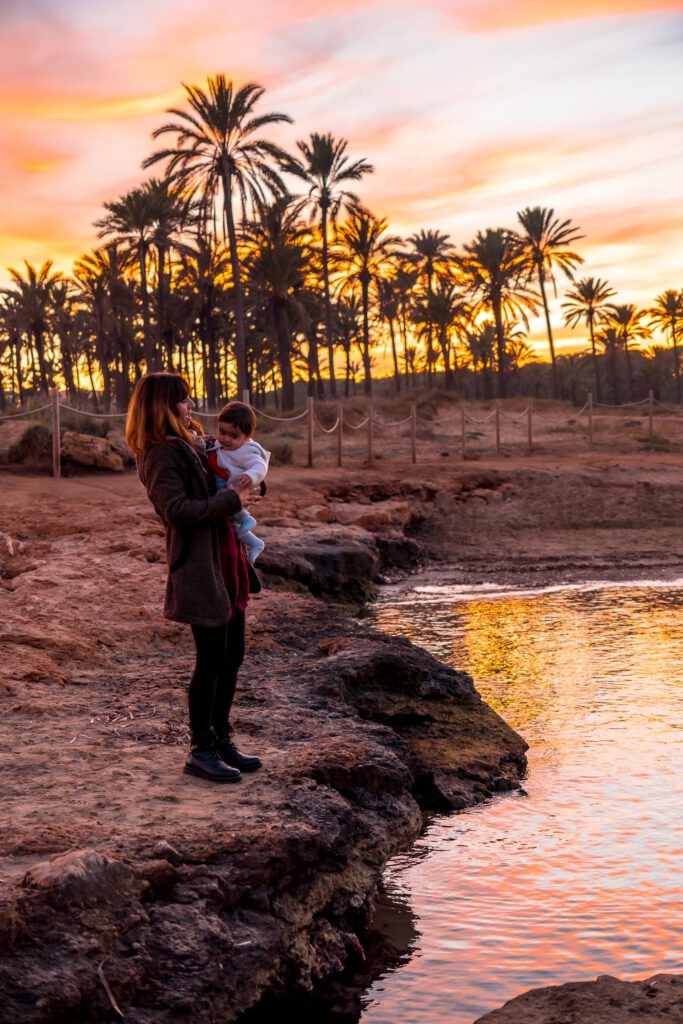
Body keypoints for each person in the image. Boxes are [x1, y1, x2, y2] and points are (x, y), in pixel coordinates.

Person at [126, 372, 263, 784]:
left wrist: (251, 485)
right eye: (184, 400)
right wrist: (232, 499)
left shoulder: (192, 441)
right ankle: (200, 750)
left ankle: (221, 739)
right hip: (200, 565)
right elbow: (179, 512)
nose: (192, 406)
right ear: (164, 406)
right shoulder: (158, 454)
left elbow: (230, 469)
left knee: (233, 656)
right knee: (211, 660)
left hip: (226, 557)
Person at [205, 401, 270, 565]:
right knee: (234, 526)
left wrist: (251, 475)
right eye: (222, 432)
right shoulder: (220, 444)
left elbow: (260, 465)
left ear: (246, 437)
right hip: (226, 487)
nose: (226, 439)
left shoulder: (246, 450)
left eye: (234, 436)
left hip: (236, 488)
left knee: (227, 503)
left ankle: (247, 518)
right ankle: (256, 543)